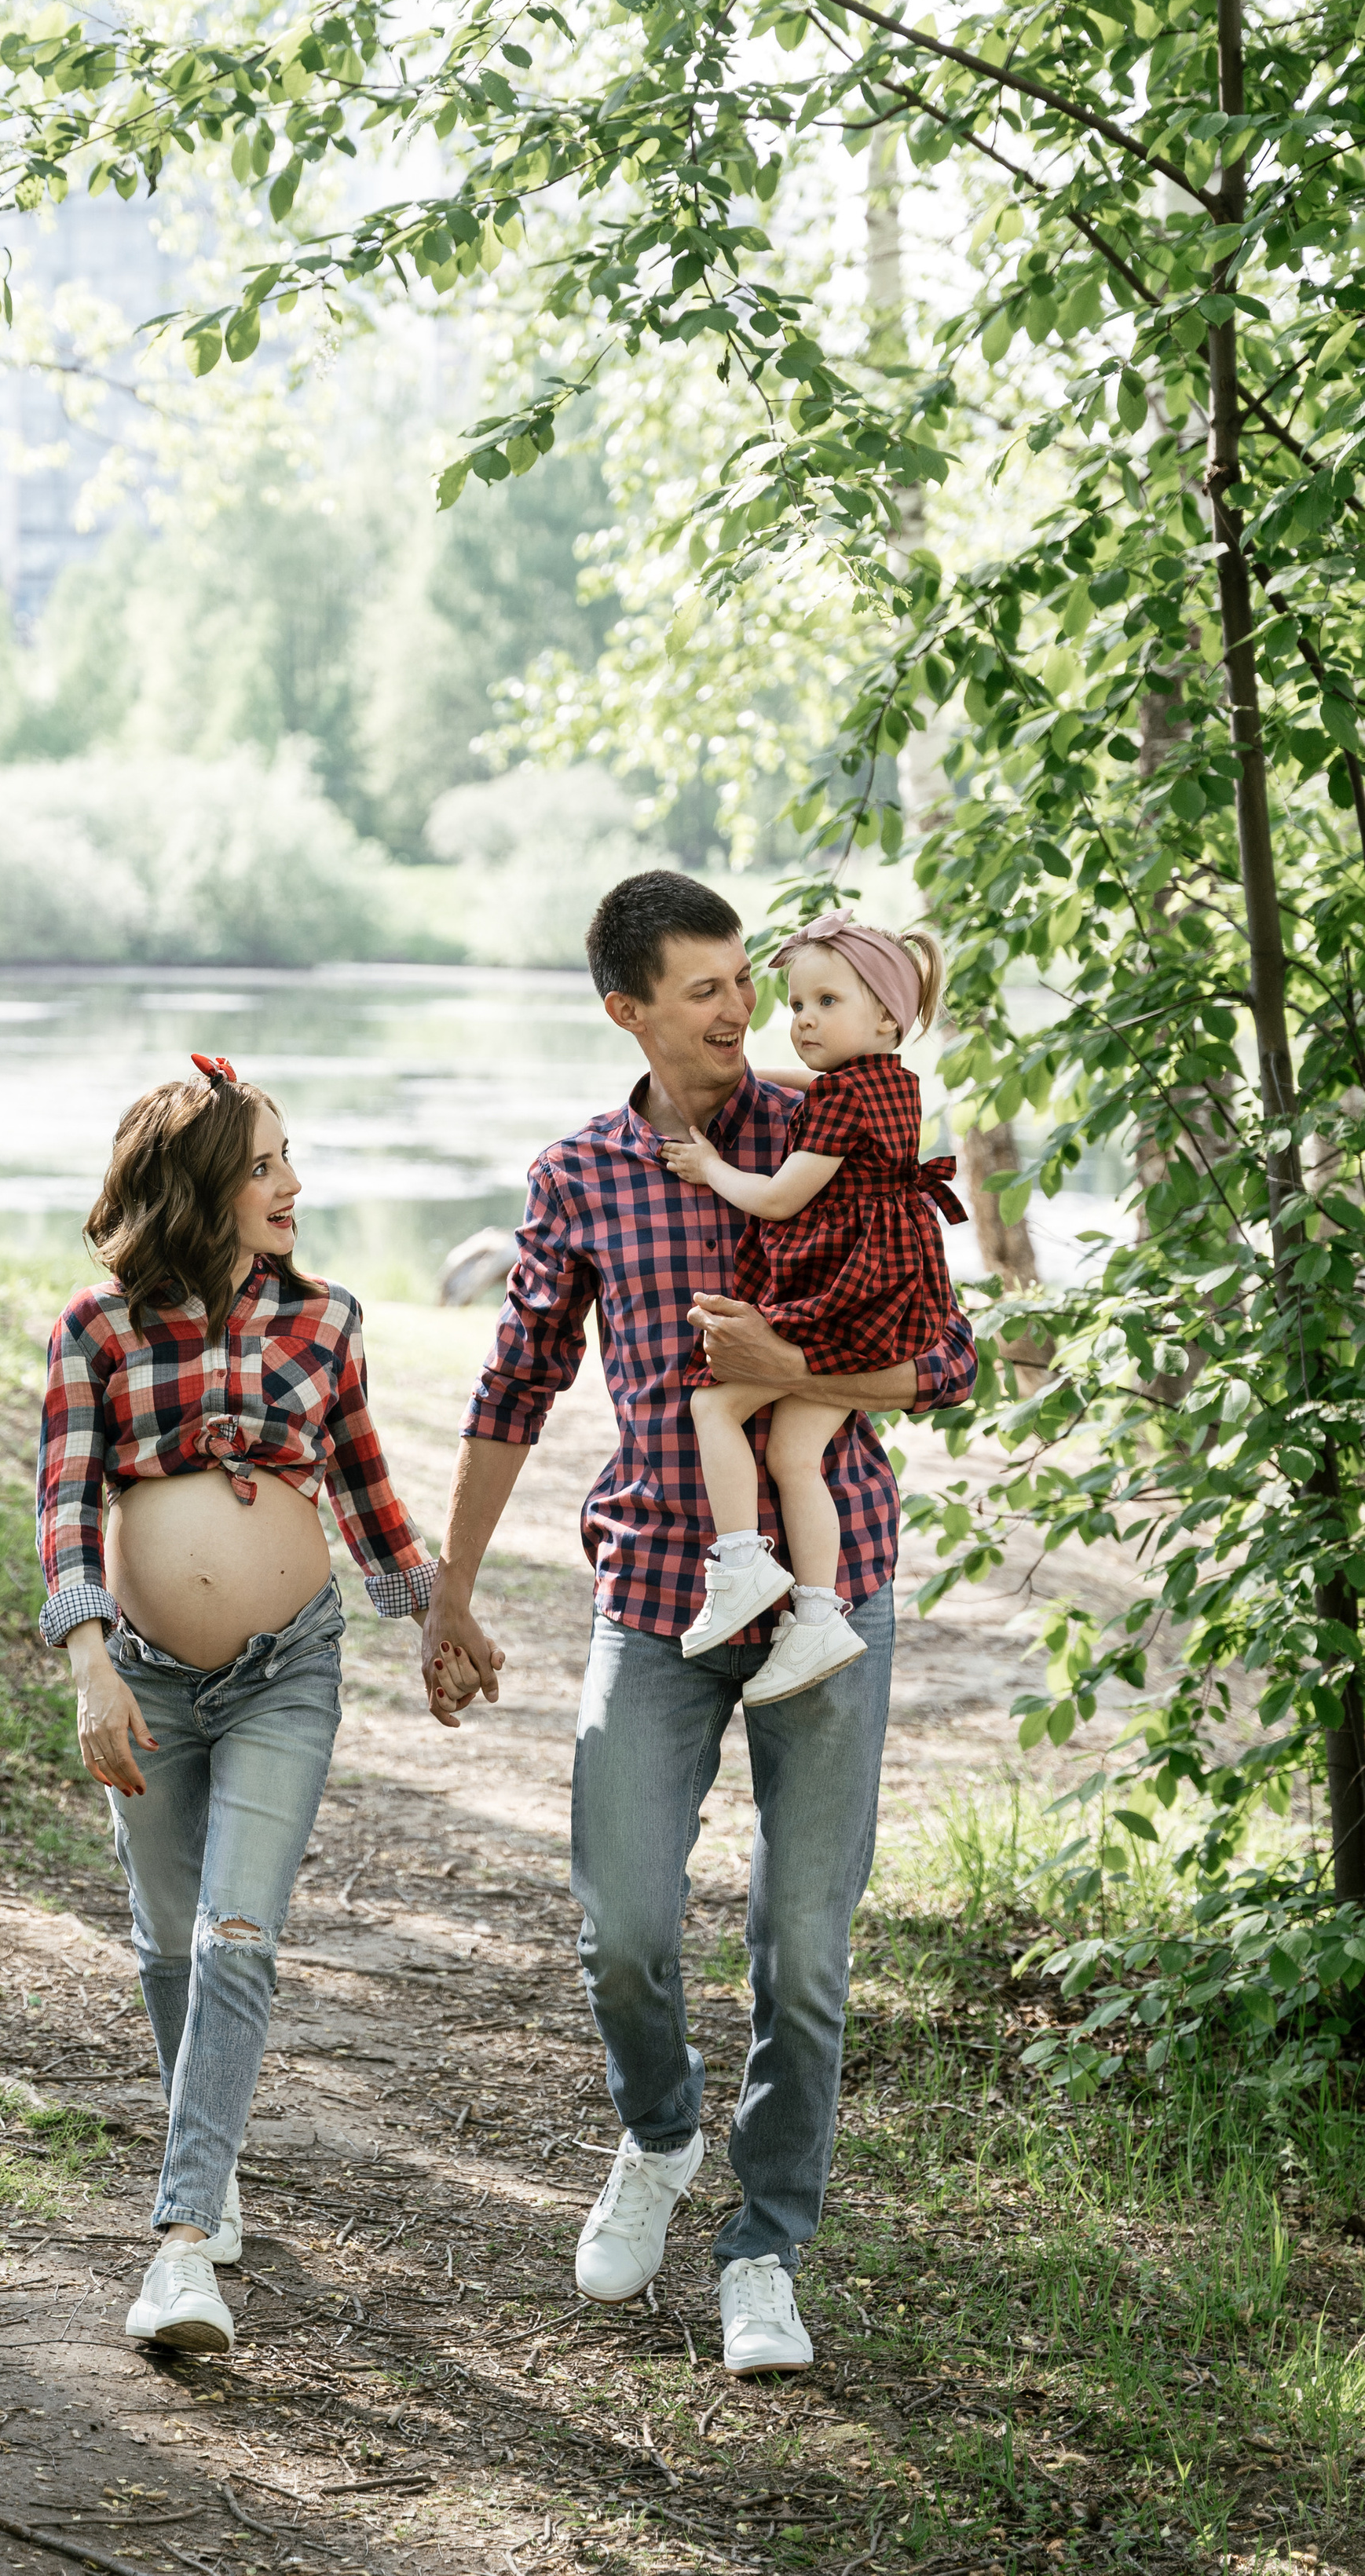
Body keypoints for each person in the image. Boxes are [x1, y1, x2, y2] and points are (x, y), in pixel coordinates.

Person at [419, 875, 975, 2375]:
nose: (746, 1012)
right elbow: (513, 1390)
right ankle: (659, 2138)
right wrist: (450, 1593)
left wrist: (786, 1359)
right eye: (711, 990)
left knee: (803, 1950)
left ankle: (764, 2248)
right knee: (624, 1926)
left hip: (828, 1593)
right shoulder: (586, 1172)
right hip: (656, 1592)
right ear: (630, 1011)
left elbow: (950, 1363)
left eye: (751, 981)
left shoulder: (835, 1128)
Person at [35, 1054, 473, 2359]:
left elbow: (364, 1487)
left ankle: (179, 2250)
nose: (294, 1185)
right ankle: (207, 2153)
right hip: (150, 1681)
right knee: (168, 1937)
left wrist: (438, 1616)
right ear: (200, 1186)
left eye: (291, 1161)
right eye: (267, 1164)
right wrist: (90, 1660)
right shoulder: (97, 1329)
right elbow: (64, 1509)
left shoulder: (324, 1318)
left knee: (236, 1933)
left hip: (290, 1667)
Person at [666, 909, 967, 1705]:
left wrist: (709, 1167)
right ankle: (817, 1614)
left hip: (844, 1298)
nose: (801, 1020)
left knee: (713, 1406)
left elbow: (773, 1197)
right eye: (796, 1004)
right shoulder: (892, 1083)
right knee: (794, 1457)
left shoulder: (839, 1103)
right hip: (892, 1294)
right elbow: (822, 1090)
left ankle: (740, 1562)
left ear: (884, 1017)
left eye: (825, 1003)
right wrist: (765, 1079)